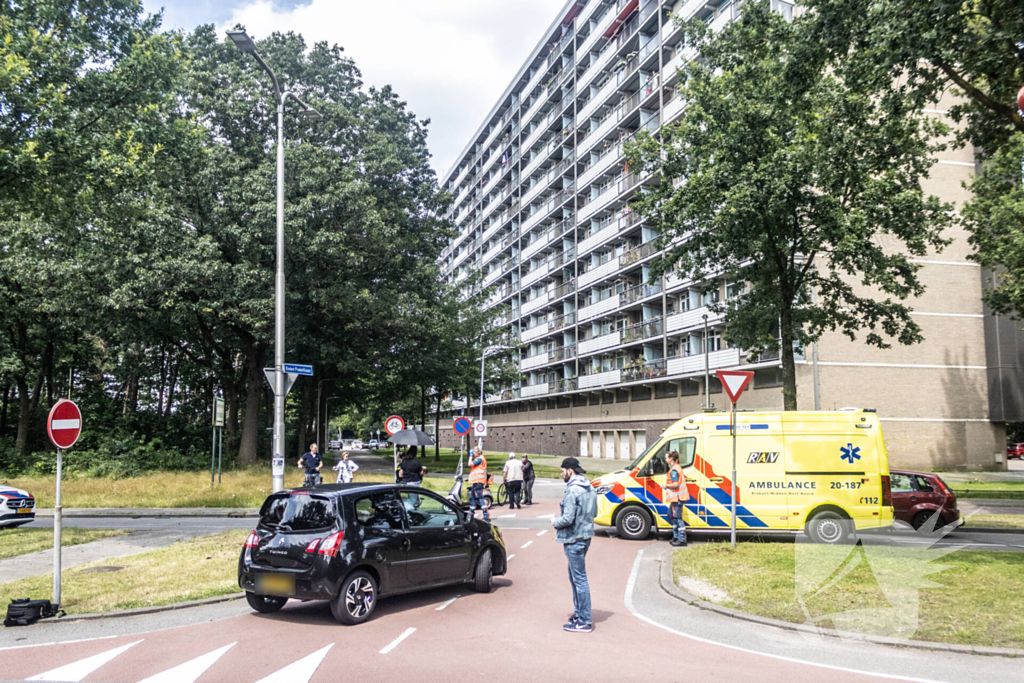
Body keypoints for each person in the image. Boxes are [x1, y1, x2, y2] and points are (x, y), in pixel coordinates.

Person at [552, 457, 597, 633]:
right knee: (575, 577)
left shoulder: (572, 491)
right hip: (586, 537)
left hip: (574, 538)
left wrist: (554, 521)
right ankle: (579, 614)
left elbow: (567, 518)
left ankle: (584, 620)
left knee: (579, 579)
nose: (561, 474)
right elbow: (595, 512)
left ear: (570, 471)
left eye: (562, 471)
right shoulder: (590, 487)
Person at [664, 451, 690, 547]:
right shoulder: (675, 468)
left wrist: (666, 485)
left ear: (671, 459)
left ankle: (682, 539)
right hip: (675, 498)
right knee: (670, 516)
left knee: (678, 519)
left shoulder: (674, 470)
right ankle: (676, 536)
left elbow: (675, 484)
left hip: (678, 498)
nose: (665, 459)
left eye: (666, 458)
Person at [467, 448, 490, 521]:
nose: (473, 454)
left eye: (474, 452)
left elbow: (470, 464)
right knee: (472, 497)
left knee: (480, 498)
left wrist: (470, 456)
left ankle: (486, 516)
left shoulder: (479, 459)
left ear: (477, 452)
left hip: (478, 481)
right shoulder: (481, 458)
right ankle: (471, 513)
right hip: (477, 481)